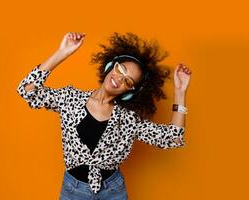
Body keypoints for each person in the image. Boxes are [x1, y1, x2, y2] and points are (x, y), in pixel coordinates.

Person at [16, 32, 192, 200]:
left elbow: (173, 138)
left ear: (130, 91)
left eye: (128, 81)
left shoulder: (128, 119)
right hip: (73, 190)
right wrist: (62, 52)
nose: (120, 79)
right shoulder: (71, 100)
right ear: (111, 66)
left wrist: (180, 91)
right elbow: (27, 90)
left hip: (113, 191)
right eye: (120, 69)